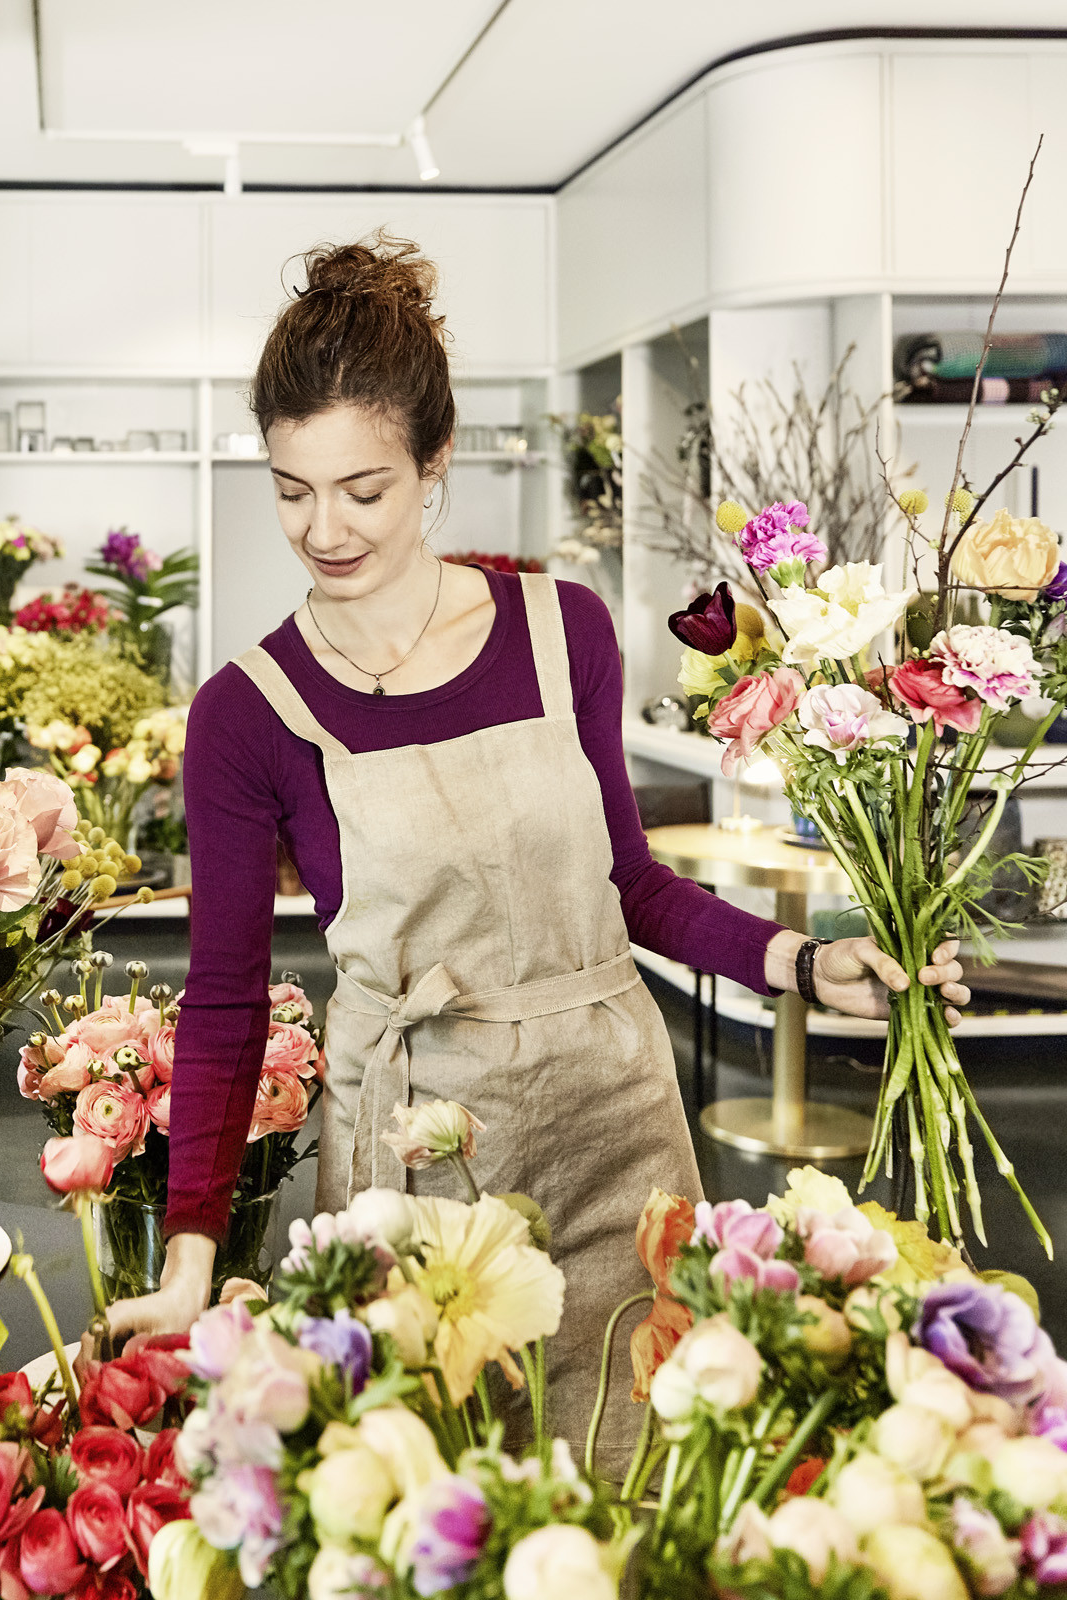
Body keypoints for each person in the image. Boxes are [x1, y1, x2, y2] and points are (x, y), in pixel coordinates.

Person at [99, 233, 969, 1470]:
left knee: (647, 1472)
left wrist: (798, 963)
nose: (322, 528)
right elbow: (226, 1000)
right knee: (434, 1495)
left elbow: (630, 886)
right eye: (291, 490)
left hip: (616, 1129)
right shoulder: (247, 714)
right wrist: (190, 1255)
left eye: (362, 489)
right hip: (414, 1158)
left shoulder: (563, 633)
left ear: (434, 460)